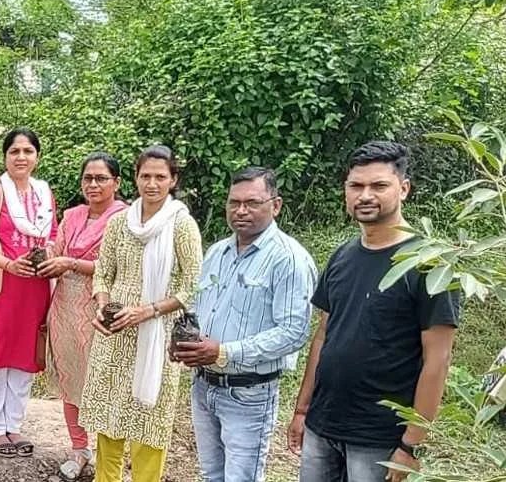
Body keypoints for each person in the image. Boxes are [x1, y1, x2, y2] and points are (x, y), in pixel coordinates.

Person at [289, 141, 460, 482]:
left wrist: (411, 445)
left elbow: (437, 360)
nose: (365, 195)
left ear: (404, 188)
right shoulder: (342, 256)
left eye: (379, 185)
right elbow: (323, 336)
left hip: (379, 437)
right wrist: (302, 410)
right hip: (323, 424)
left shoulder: (429, 264)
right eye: (356, 186)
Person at [174, 167, 315, 482]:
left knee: (241, 477)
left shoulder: (289, 259)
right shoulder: (217, 252)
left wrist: (224, 352)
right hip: (203, 385)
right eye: (234, 202)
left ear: (275, 205)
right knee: (211, 474)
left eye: (252, 203)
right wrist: (185, 340)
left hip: (249, 393)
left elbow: (293, 333)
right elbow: (201, 307)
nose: (241, 211)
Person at [83, 144, 202, 482]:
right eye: (145, 176)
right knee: (110, 418)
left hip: (157, 336)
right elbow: (103, 273)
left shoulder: (181, 225)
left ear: (173, 180)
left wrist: (148, 311)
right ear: (135, 178)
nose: (152, 184)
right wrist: (103, 307)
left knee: (149, 421)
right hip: (115, 334)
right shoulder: (119, 222)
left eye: (160, 177)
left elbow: (193, 285)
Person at [0, 128, 58, 458]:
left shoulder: (44, 194)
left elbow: (53, 236)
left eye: (28, 151)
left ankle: (14, 424)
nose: (21, 157)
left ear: (37, 157)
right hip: (0, 287)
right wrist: (8, 264)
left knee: (24, 357)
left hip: (34, 288)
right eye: (14, 151)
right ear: (5, 157)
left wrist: (47, 257)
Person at [43, 153, 128, 480]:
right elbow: (57, 251)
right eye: (88, 178)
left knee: (103, 382)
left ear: (116, 183)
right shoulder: (72, 216)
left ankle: (111, 456)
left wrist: (71, 263)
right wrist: (43, 256)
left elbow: (120, 266)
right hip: (64, 307)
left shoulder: (125, 220)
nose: (93, 184)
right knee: (71, 380)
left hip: (101, 308)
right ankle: (79, 449)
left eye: (101, 178)